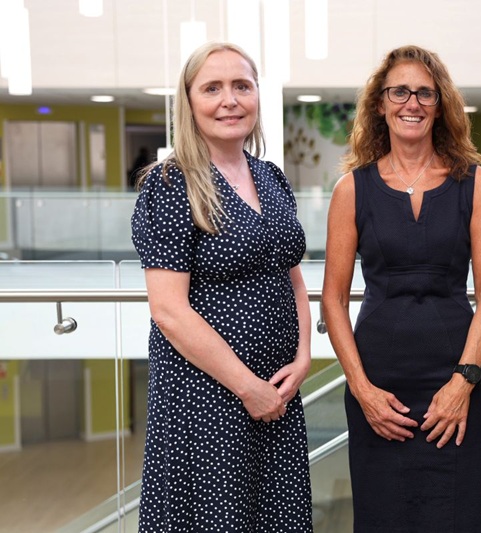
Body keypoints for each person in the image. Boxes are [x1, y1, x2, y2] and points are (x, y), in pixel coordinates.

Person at [130, 41, 313, 532]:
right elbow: (168, 310)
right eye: (212, 88)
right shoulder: (170, 184)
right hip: (207, 399)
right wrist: (247, 387)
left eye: (242, 86)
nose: (229, 100)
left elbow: (291, 274)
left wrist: (302, 355)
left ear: (257, 96)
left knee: (275, 516)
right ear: (188, 103)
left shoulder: (270, 177)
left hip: (276, 392)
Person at [322, 45, 481, 532]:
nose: (412, 103)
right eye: (399, 91)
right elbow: (333, 300)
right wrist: (361, 390)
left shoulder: (476, 183)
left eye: (425, 93)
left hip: (456, 380)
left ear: (440, 104)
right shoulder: (351, 189)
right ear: (380, 103)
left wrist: (464, 383)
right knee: (383, 517)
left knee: (457, 517)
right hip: (379, 387)